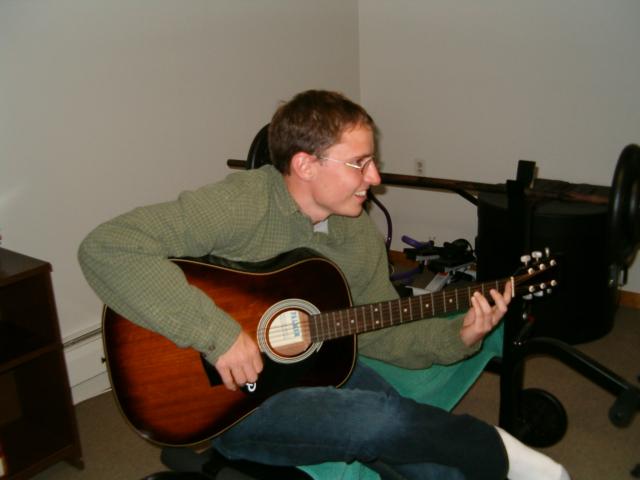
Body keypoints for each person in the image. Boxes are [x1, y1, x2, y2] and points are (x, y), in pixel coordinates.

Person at [78, 89, 569, 480]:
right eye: (360, 162)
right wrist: (218, 335)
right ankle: (498, 449)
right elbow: (106, 247)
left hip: (320, 369)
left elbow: (380, 330)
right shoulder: (244, 203)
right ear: (305, 165)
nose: (375, 177)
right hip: (231, 405)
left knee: (413, 437)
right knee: (381, 421)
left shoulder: (356, 233)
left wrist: (458, 336)